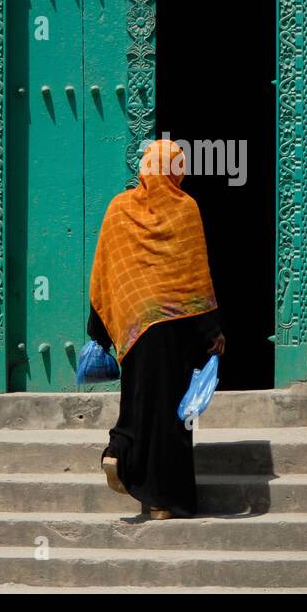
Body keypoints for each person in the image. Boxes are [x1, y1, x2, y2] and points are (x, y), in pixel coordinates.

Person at [86, 137, 225, 520]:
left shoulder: (120, 208)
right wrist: (211, 332)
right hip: (177, 332)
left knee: (138, 401)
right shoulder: (186, 209)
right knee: (175, 413)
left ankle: (119, 449)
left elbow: (107, 272)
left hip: (136, 333)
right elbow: (194, 279)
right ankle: (164, 501)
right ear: (175, 170)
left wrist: (102, 329)